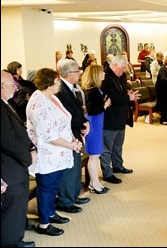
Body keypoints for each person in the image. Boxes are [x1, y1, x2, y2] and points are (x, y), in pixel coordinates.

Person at [26, 68, 81, 236]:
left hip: (60, 152)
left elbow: (65, 119)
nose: (59, 83)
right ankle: (44, 224)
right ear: (50, 83)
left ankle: (50, 213)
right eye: (57, 80)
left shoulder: (52, 97)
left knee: (53, 187)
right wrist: (71, 145)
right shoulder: (38, 103)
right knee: (46, 188)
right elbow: (47, 135)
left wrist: (73, 139)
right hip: (48, 154)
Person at [1, 71, 36, 247]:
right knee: (11, 208)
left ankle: (16, 239)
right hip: (8, 167)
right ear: (1, 86)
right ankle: (10, 243)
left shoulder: (5, 103)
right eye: (11, 84)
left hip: (16, 164)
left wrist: (31, 147)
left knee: (17, 207)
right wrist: (28, 157)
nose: (16, 87)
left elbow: (18, 132)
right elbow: (8, 141)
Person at [55, 59, 90, 214]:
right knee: (70, 169)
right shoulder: (61, 90)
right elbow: (67, 115)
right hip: (68, 136)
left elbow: (77, 111)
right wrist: (82, 125)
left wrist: (84, 122)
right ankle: (66, 201)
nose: (80, 73)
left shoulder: (70, 87)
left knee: (75, 167)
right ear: (69, 74)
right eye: (77, 71)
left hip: (75, 133)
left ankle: (74, 195)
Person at [100, 55, 139, 184]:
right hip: (110, 118)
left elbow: (123, 92)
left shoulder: (120, 75)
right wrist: (128, 98)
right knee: (107, 148)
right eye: (122, 68)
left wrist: (129, 94)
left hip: (121, 116)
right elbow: (112, 98)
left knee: (118, 145)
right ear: (115, 64)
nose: (123, 71)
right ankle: (107, 172)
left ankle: (118, 165)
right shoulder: (105, 78)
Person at [81, 65, 111, 194]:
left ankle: (95, 182)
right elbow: (93, 110)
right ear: (95, 75)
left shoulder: (95, 89)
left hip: (97, 123)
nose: (104, 73)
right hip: (93, 124)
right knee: (94, 155)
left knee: (96, 155)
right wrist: (104, 105)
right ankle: (93, 184)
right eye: (101, 72)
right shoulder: (93, 91)